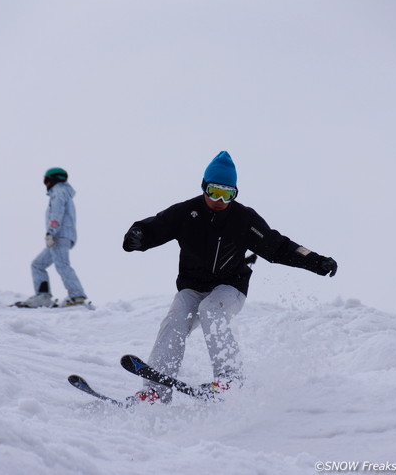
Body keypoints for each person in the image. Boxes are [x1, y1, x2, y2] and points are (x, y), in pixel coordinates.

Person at [121, 151, 337, 403]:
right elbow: (153, 226)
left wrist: (315, 260)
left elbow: (278, 247)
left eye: (227, 194)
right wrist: (137, 236)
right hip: (191, 286)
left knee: (211, 309)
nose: (220, 200)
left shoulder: (243, 219)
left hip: (230, 287)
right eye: (214, 192)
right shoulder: (185, 212)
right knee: (175, 319)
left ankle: (229, 379)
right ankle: (156, 390)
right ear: (204, 187)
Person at [17, 167, 94, 310]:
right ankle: (43, 296)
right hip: (62, 235)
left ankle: (77, 296)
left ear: (52, 179)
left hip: (58, 235)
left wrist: (51, 232)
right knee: (38, 265)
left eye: (46, 180)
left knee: (62, 265)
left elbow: (57, 212)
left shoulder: (59, 192)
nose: (45, 184)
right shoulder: (63, 192)